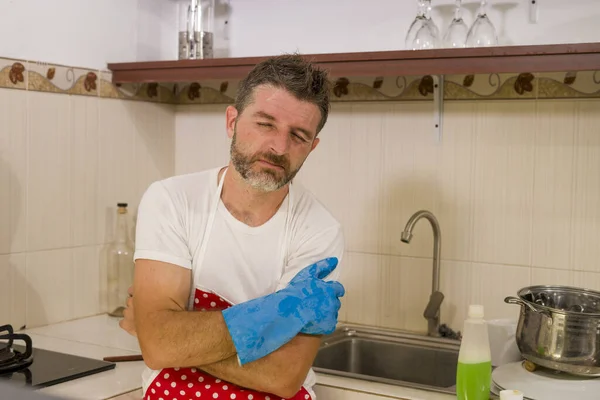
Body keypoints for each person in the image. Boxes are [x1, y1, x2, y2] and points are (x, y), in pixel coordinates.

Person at [119, 53, 346, 400]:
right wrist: (272, 315)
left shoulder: (319, 231)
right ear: (232, 121)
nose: (278, 146)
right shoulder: (172, 200)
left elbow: (283, 376)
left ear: (312, 147)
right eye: (265, 123)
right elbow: (159, 346)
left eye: (298, 135)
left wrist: (171, 337)